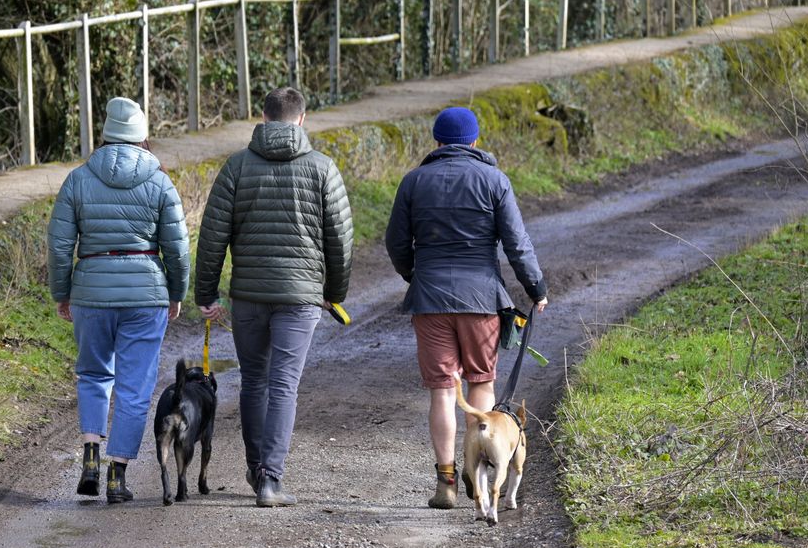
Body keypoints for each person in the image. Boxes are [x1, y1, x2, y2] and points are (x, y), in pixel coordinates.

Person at [194, 87, 353, 507]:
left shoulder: (236, 168)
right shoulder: (323, 169)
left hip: (247, 295)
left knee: (254, 382)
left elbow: (212, 237)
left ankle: (254, 468)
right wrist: (334, 293)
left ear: (262, 119)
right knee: (283, 385)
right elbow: (340, 239)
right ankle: (271, 481)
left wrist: (206, 292)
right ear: (302, 120)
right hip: (301, 298)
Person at [384, 106, 548, 510]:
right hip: (481, 301)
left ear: (437, 143)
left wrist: (415, 275)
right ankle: (482, 473)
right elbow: (516, 242)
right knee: (480, 384)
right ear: (475, 142)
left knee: (442, 391)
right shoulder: (494, 180)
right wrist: (536, 286)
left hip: (430, 298)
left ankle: (446, 481)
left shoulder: (413, 182)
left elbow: (395, 243)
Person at [47, 97, 190, 504]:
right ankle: (116, 475)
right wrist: (176, 292)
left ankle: (90, 454)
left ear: (106, 134)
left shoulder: (78, 179)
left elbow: (59, 245)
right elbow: (177, 248)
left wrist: (63, 292)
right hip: (146, 294)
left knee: (93, 374)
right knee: (134, 388)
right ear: (143, 136)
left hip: (91, 290)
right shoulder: (160, 181)